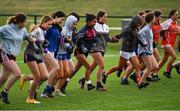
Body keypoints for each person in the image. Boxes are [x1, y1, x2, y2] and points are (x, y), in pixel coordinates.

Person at [102, 15, 143, 86]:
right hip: (125, 51)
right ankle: (105, 74)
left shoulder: (136, 28)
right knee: (119, 67)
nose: (140, 23)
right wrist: (115, 38)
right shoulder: (128, 29)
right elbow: (120, 35)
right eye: (139, 22)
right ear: (135, 21)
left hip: (132, 51)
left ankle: (139, 83)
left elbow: (137, 39)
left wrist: (143, 44)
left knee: (137, 67)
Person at [24, 15, 53, 104]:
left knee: (45, 76)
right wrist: (35, 41)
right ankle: (30, 98)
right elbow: (29, 37)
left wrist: (44, 44)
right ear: (43, 22)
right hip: (30, 53)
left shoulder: (43, 31)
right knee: (37, 77)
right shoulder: (37, 29)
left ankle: (25, 77)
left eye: (51, 25)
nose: (50, 26)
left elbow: (40, 42)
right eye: (49, 24)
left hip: (38, 55)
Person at [0, 12, 28, 104]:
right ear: (18, 21)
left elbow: (25, 36)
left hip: (13, 56)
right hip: (4, 54)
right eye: (24, 22)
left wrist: (30, 38)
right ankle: (4, 92)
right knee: (17, 73)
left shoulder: (23, 29)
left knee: (3, 78)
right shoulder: (6, 28)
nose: (25, 24)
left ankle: (4, 92)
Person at [39, 11, 66, 97]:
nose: (62, 21)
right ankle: (46, 88)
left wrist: (65, 41)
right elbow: (42, 36)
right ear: (56, 16)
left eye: (63, 20)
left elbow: (59, 40)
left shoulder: (58, 28)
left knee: (46, 73)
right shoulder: (49, 26)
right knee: (54, 69)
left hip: (54, 51)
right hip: (47, 51)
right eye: (61, 19)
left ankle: (39, 89)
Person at [53, 15, 78, 96]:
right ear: (69, 22)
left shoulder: (71, 30)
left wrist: (70, 45)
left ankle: (57, 90)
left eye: (76, 24)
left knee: (67, 73)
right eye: (74, 23)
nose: (75, 25)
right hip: (59, 53)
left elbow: (68, 41)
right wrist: (68, 46)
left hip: (65, 54)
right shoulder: (63, 30)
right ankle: (49, 88)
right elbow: (60, 41)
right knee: (59, 74)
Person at [75, 13, 97, 91]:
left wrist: (95, 40)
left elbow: (94, 38)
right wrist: (82, 47)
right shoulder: (83, 31)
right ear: (88, 22)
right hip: (79, 52)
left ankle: (65, 82)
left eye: (96, 22)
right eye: (94, 22)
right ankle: (89, 84)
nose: (95, 23)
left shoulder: (93, 30)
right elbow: (76, 39)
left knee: (75, 69)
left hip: (86, 53)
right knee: (88, 66)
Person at [137, 12, 159, 89]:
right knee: (149, 68)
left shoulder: (150, 27)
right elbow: (139, 34)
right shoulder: (146, 28)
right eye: (154, 18)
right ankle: (140, 83)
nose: (155, 19)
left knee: (155, 66)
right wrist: (144, 43)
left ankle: (139, 73)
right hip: (144, 51)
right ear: (151, 19)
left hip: (149, 51)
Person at [158, 10, 179, 78]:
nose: (177, 16)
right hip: (166, 43)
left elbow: (177, 32)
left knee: (164, 60)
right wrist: (162, 35)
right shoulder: (167, 23)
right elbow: (159, 28)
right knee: (174, 56)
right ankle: (167, 71)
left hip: (171, 43)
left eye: (177, 14)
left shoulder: (175, 22)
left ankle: (153, 73)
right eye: (176, 15)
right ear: (171, 15)